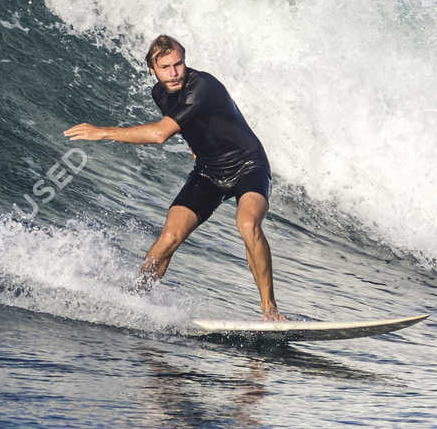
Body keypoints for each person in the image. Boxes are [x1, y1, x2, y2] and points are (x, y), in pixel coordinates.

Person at [65, 35, 284, 320]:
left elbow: (159, 134)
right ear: (152, 69)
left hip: (247, 164)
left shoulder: (201, 85)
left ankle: (270, 310)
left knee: (247, 223)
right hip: (209, 170)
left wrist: (103, 132)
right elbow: (187, 123)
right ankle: (133, 300)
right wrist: (195, 146)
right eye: (166, 67)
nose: (174, 72)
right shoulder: (160, 93)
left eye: (178, 64)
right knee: (169, 237)